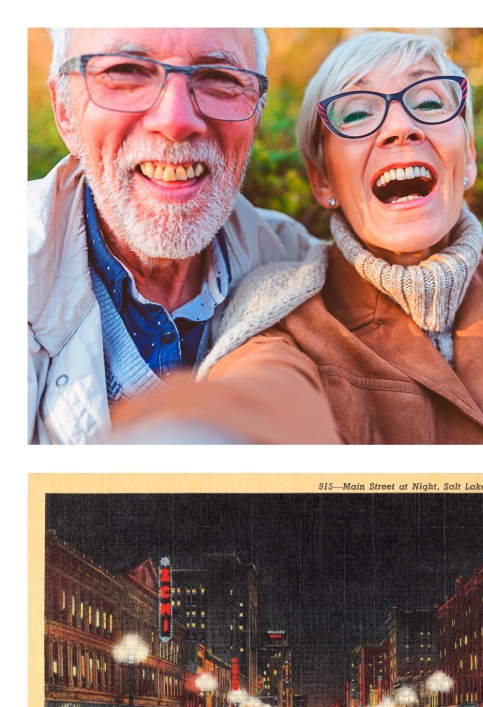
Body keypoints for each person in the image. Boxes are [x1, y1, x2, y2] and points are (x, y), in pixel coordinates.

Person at [193, 30, 483, 445]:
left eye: (429, 103)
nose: (401, 127)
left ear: (470, 158)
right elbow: (257, 404)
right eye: (356, 114)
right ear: (322, 181)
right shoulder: (278, 317)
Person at [28, 27, 339, 444]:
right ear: (65, 111)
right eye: (126, 72)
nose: (175, 121)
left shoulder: (300, 267)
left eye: (219, 78)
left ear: (256, 113)